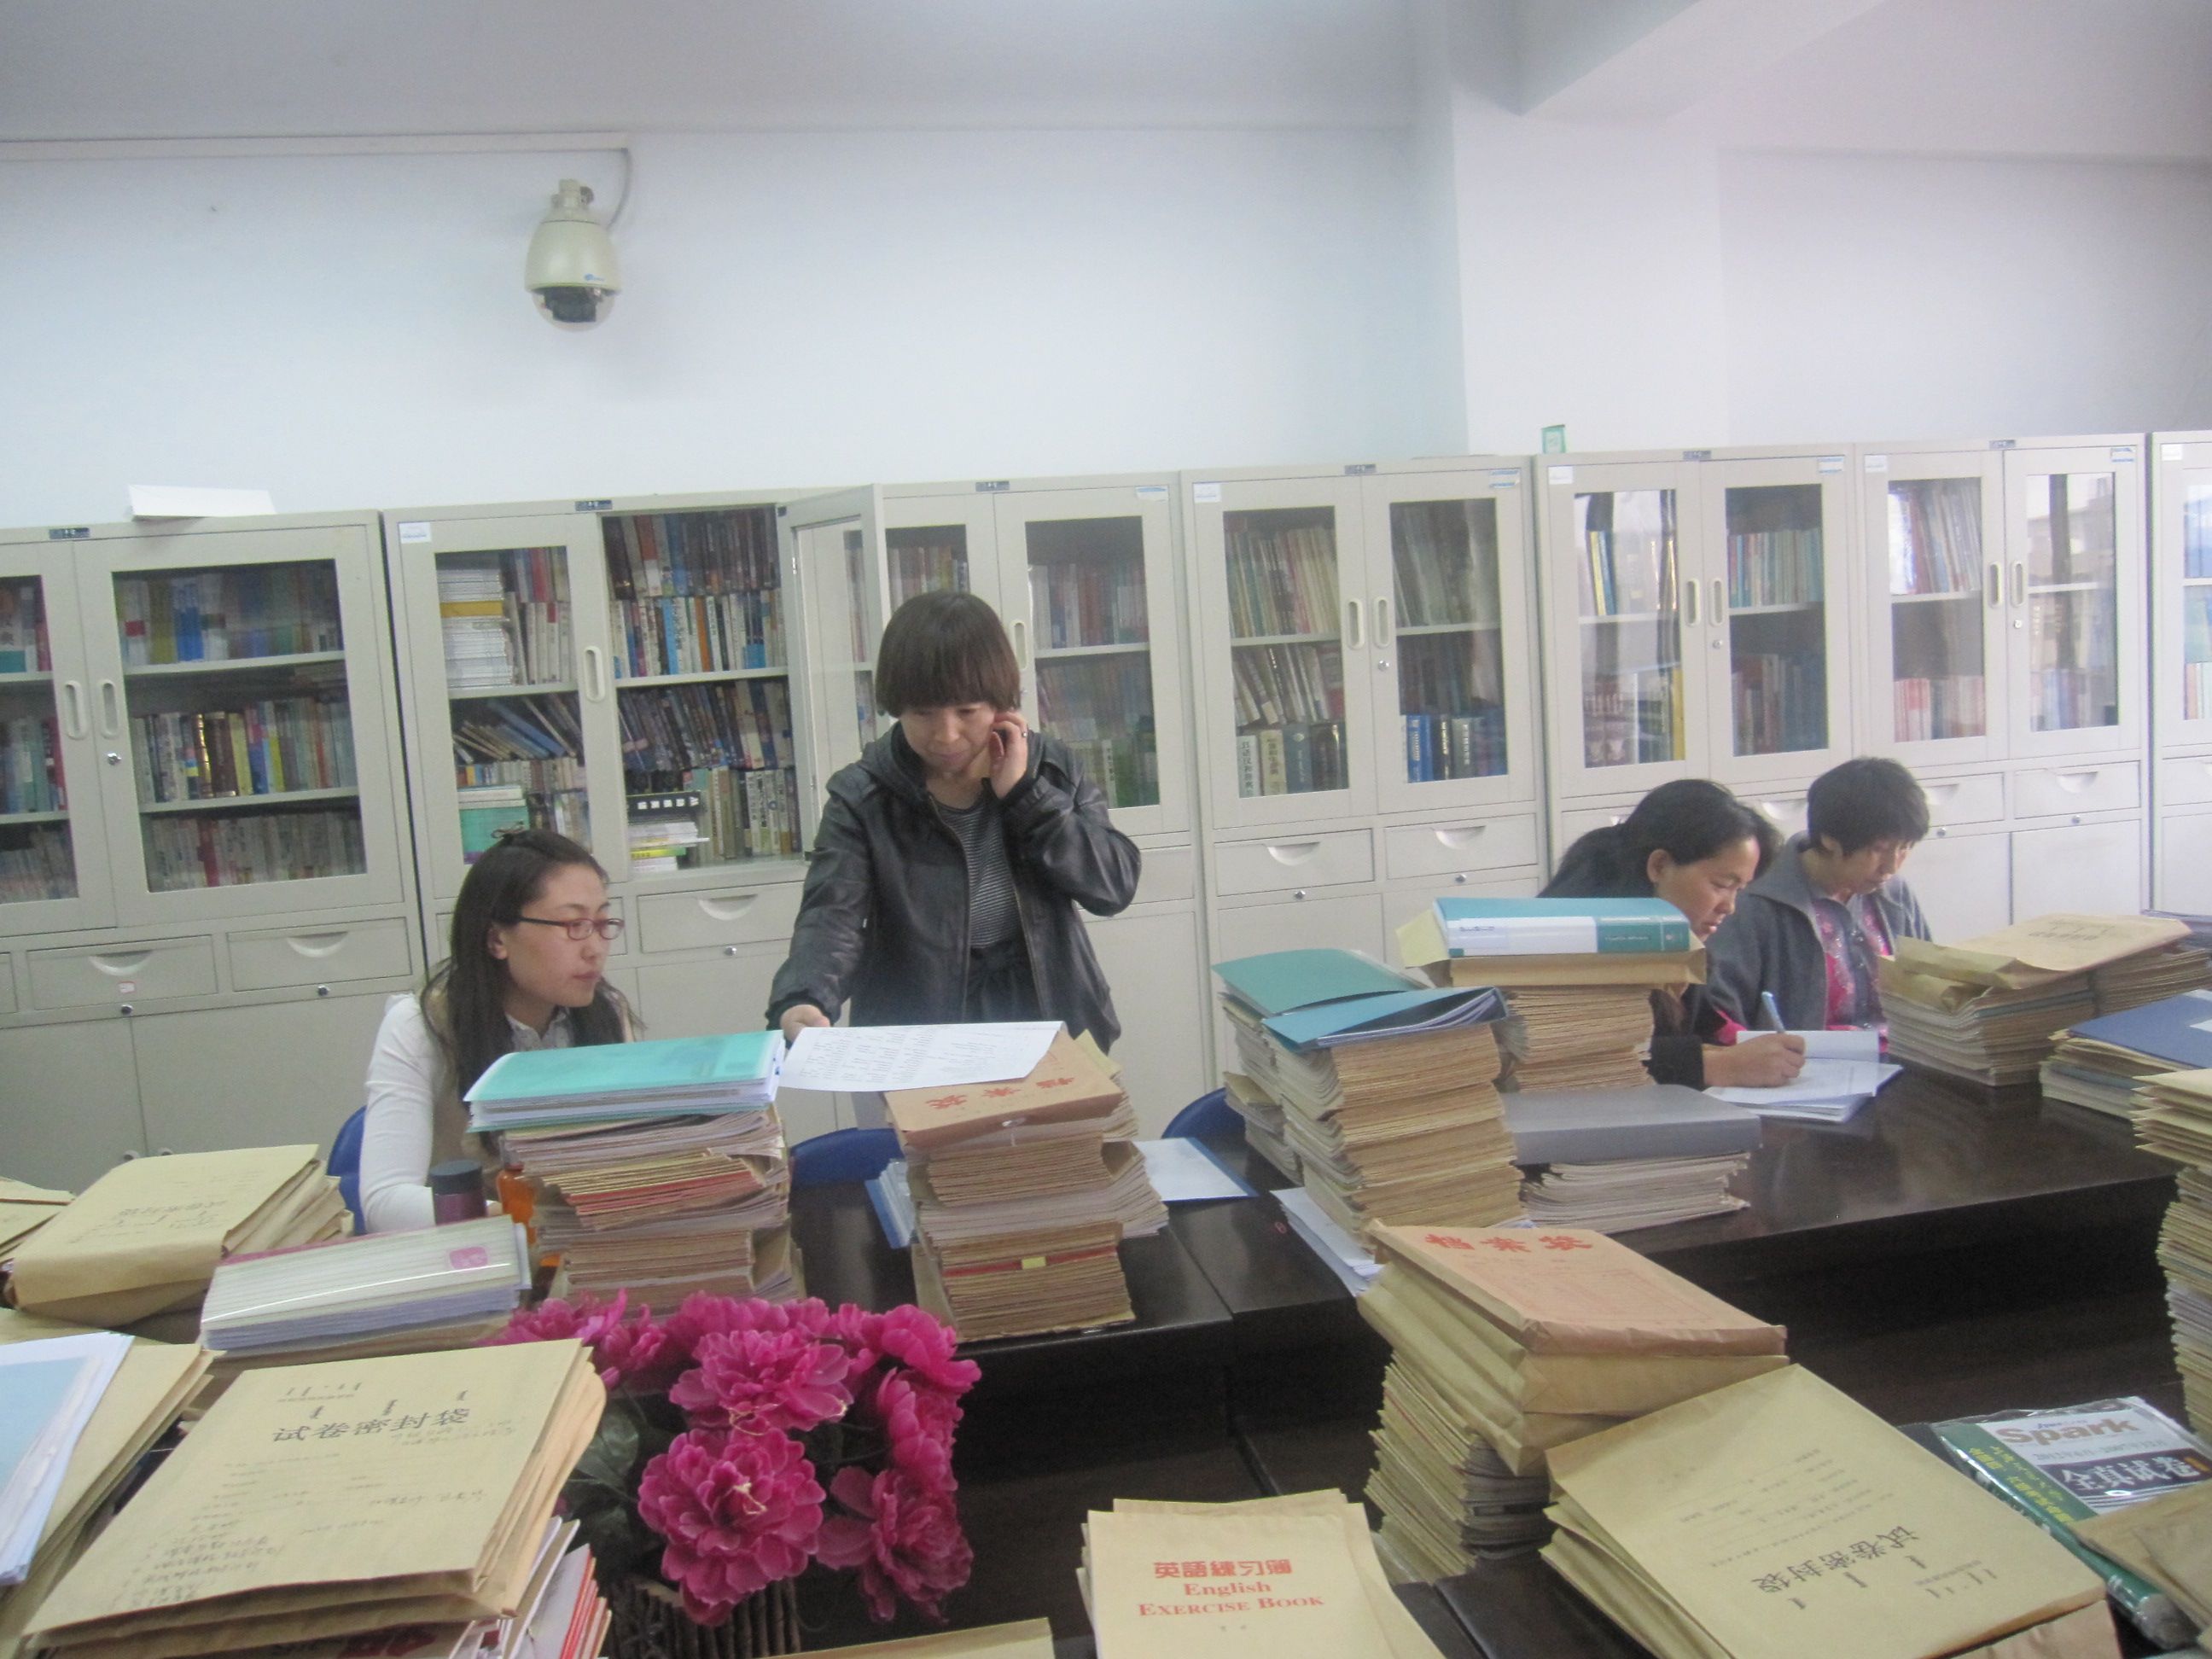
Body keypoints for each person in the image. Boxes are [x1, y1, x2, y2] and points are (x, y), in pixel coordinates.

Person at [767, 590, 1138, 1048]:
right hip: (918, 1026)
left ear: (1000, 704)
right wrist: (805, 996)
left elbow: (1113, 887)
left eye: (967, 711)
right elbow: (832, 915)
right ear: (897, 707)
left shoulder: (1049, 769)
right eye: (923, 713)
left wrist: (1025, 796)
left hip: (1050, 1013)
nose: (946, 735)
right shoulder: (863, 796)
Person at [359, 829, 632, 1231]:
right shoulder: (421, 1026)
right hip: (470, 1251)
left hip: (580, 1248)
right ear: (496, 939)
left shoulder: (604, 1013)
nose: (595, 948)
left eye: (602, 922)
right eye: (573, 924)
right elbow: (384, 1202)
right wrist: (526, 1220)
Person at [1543, 779, 1807, 1089]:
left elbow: (1700, 1028)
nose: (1730, 907)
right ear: (1659, 866)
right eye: (1721, 885)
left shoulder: (1677, 941)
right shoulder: (1584, 941)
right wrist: (1714, 1066)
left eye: (1739, 890)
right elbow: (1585, 1058)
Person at [1705, 755, 1934, 1033]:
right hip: (1806, 1057)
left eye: (1904, 847)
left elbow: (1929, 984)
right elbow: (1721, 1015)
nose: (1892, 866)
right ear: (1829, 840)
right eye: (1878, 849)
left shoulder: (1894, 891)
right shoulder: (1756, 903)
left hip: (1903, 1050)